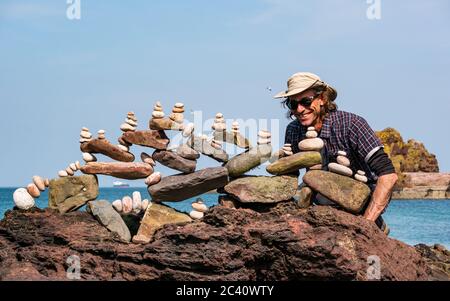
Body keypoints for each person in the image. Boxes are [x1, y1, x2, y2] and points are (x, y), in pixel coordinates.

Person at [274, 72, 398, 234]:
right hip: (320, 202)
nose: (299, 109)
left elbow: (388, 175)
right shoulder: (293, 129)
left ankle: (377, 227)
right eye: (293, 104)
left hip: (360, 199)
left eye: (306, 101)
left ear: (323, 99)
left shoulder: (351, 124)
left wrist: (366, 225)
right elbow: (290, 176)